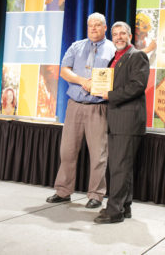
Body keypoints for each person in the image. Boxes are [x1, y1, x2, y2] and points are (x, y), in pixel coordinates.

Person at [46, 12, 115, 208]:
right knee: (67, 151)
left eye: (97, 25)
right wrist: (82, 81)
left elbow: (117, 74)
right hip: (74, 106)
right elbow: (64, 71)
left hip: (98, 107)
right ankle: (63, 191)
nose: (93, 28)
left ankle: (96, 195)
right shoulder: (76, 46)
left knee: (98, 154)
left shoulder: (112, 49)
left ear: (104, 27)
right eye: (90, 25)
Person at [94, 21, 149, 223]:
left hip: (128, 120)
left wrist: (109, 95)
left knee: (119, 166)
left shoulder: (137, 56)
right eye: (115, 34)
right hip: (116, 118)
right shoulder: (114, 58)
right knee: (123, 166)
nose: (118, 37)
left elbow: (137, 86)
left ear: (130, 36)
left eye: (122, 33)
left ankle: (114, 211)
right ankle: (124, 207)